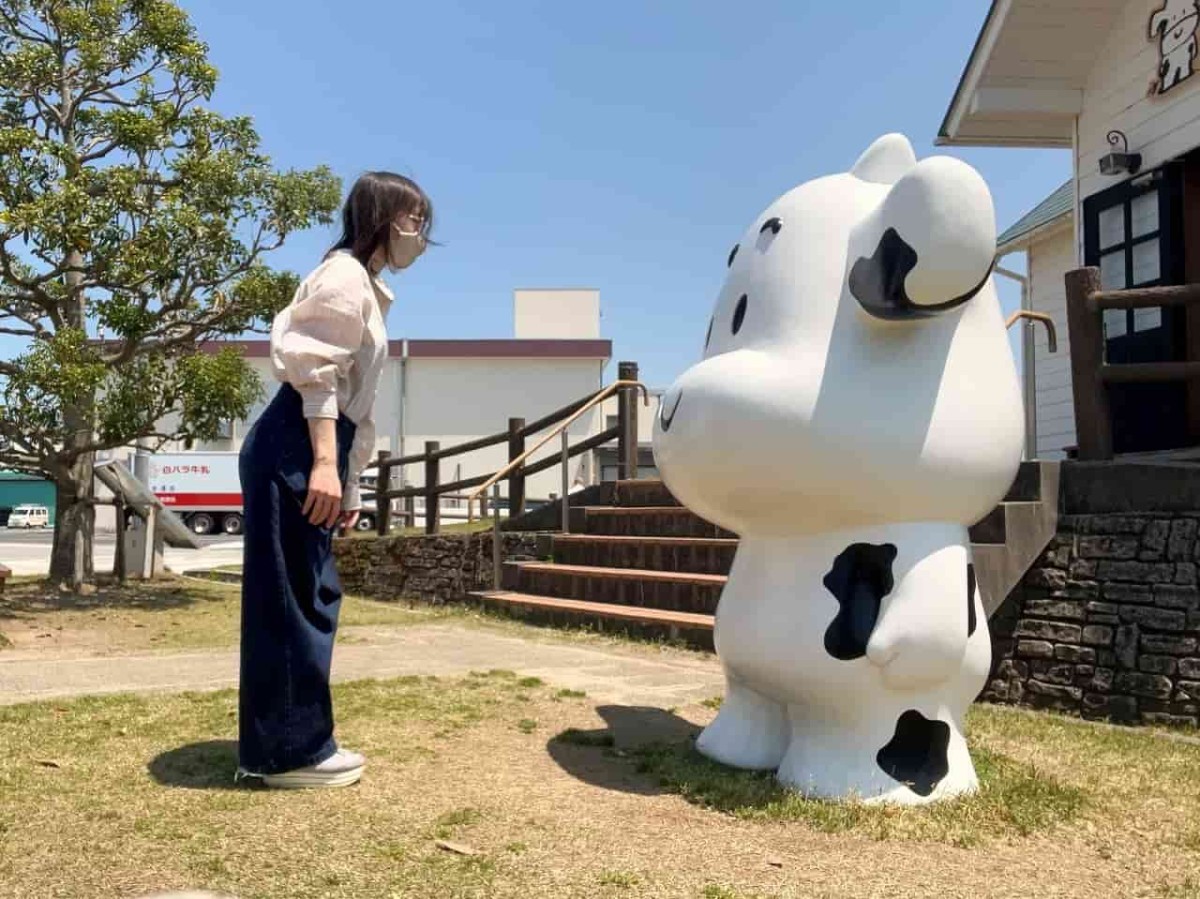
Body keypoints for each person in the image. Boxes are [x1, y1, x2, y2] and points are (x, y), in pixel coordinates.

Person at [235, 172, 433, 789]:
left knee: (310, 593)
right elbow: (315, 375)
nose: (419, 234)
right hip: (299, 440)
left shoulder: (366, 286)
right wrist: (324, 463)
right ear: (380, 217)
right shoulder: (345, 278)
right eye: (412, 219)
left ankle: (288, 742)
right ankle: (291, 754)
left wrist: (346, 482)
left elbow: (357, 403)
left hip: (316, 443)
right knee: (293, 598)